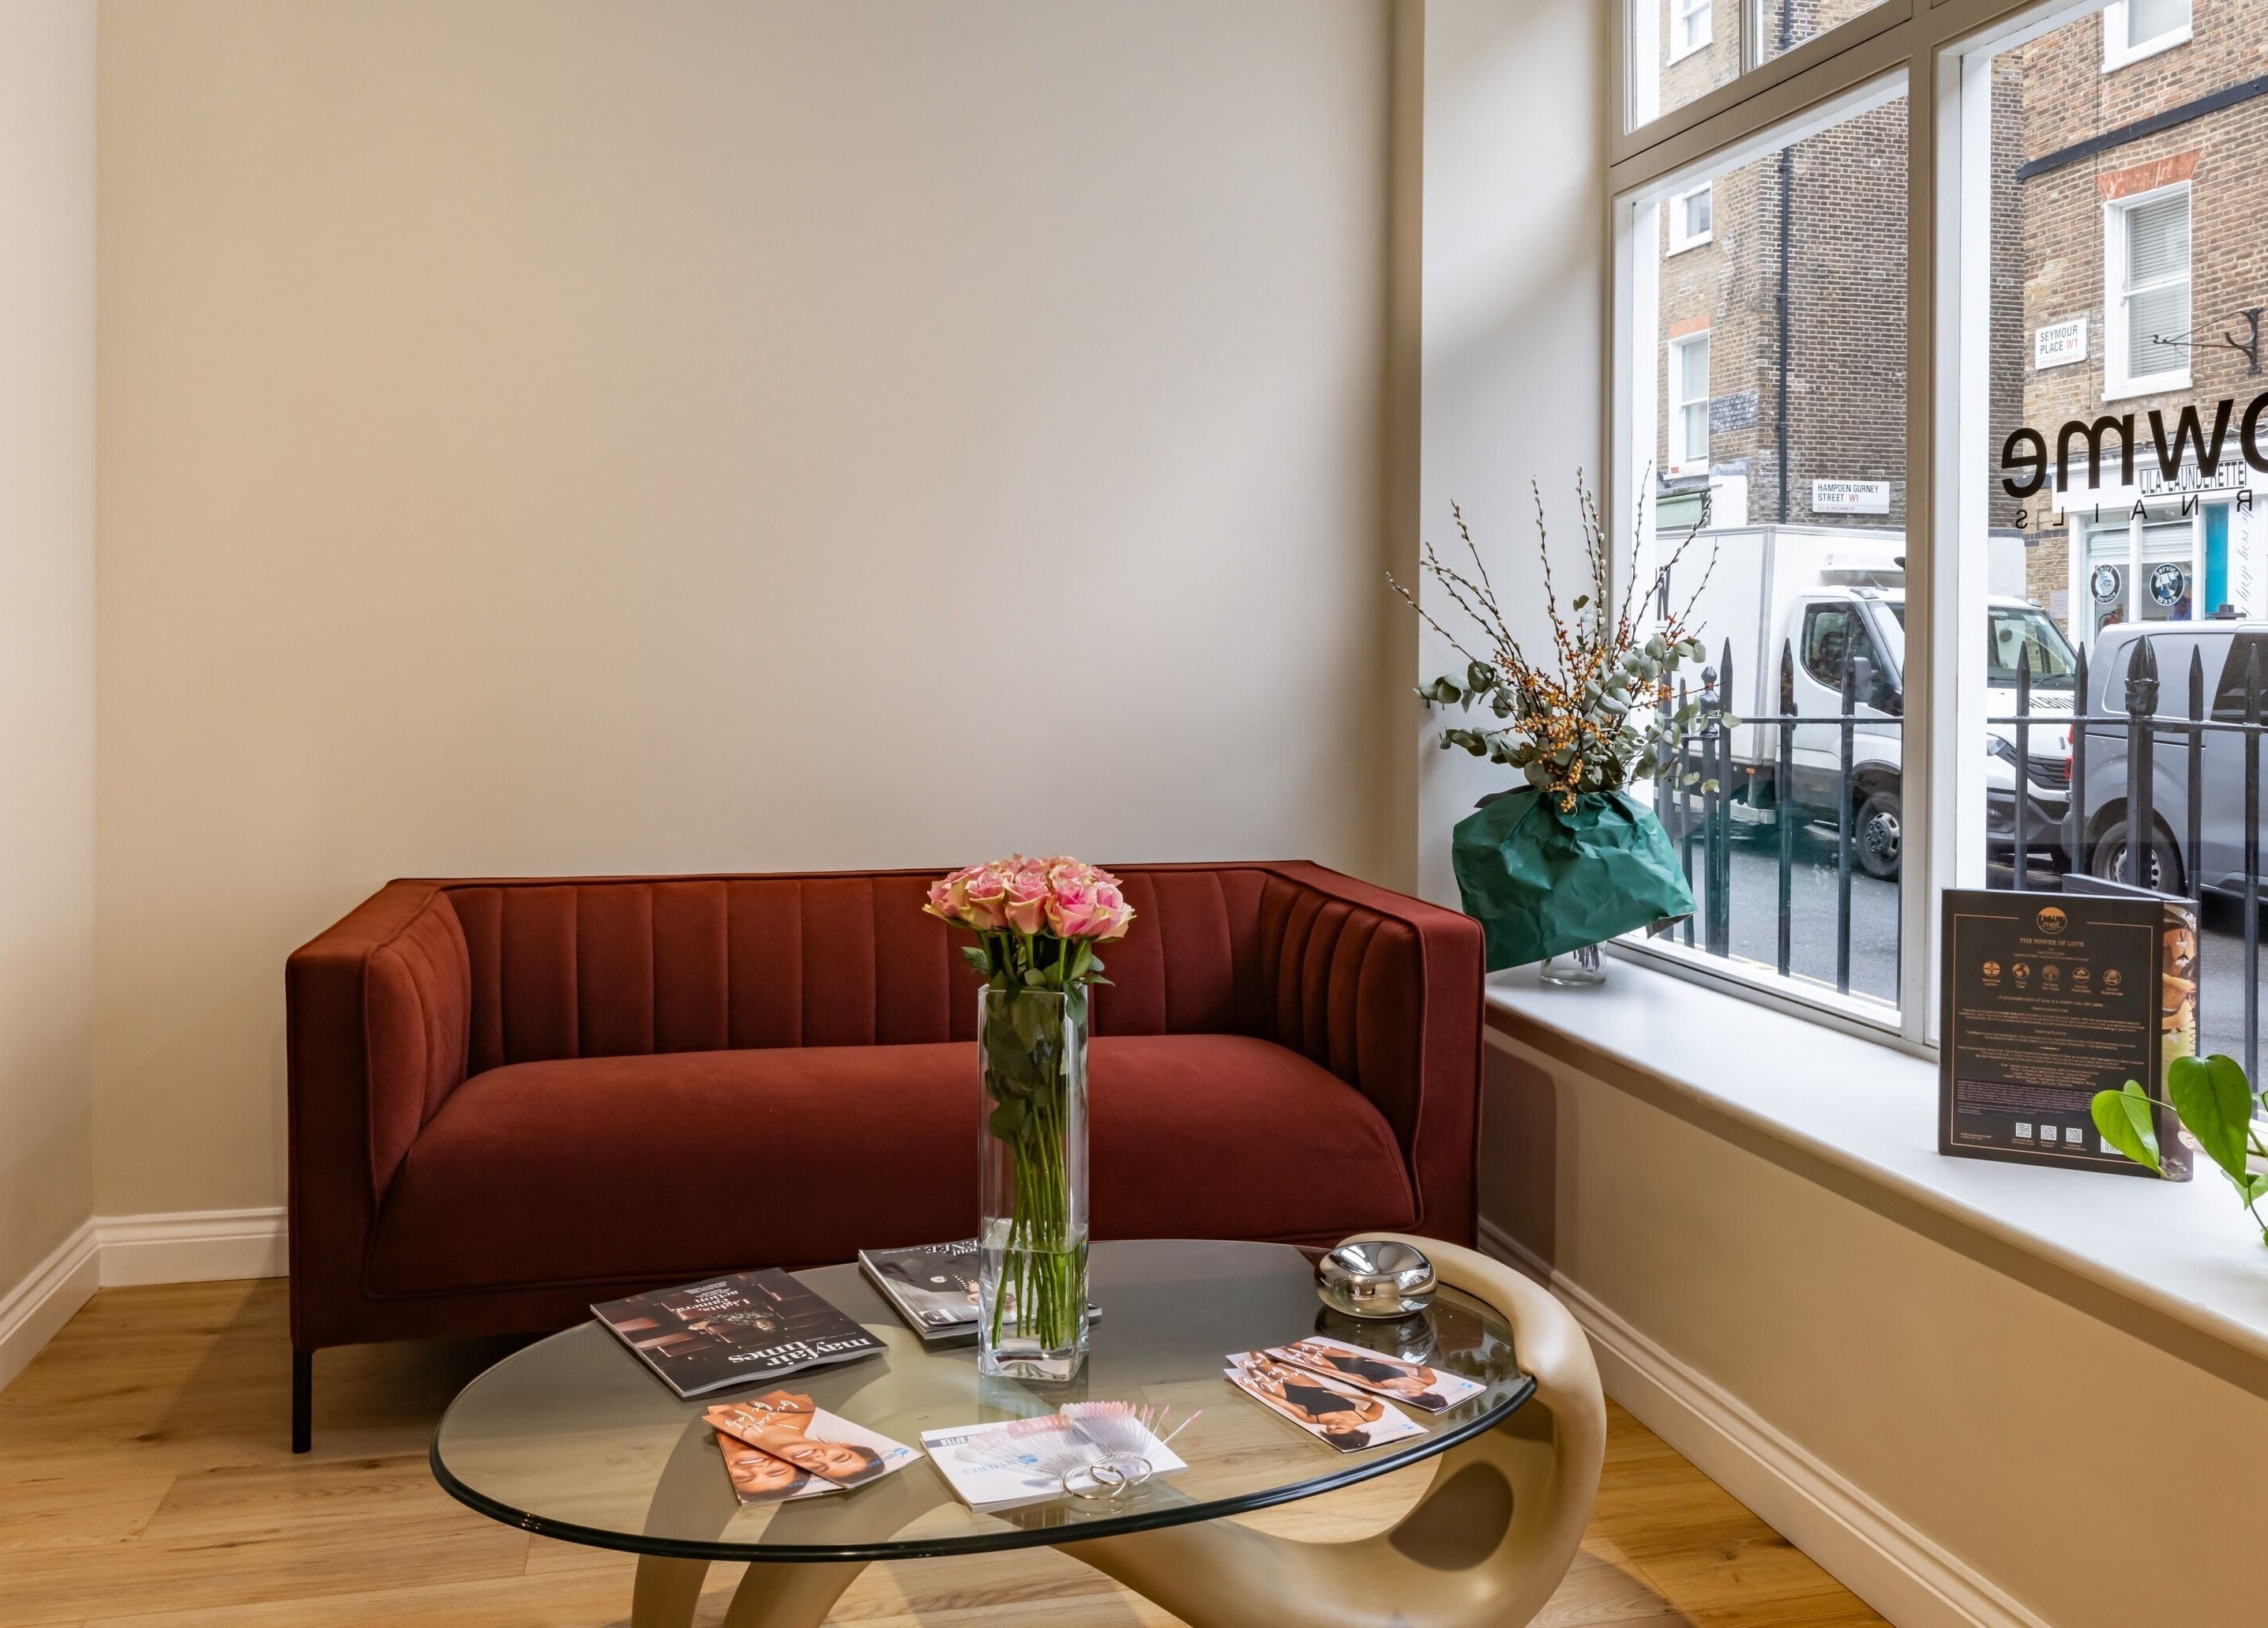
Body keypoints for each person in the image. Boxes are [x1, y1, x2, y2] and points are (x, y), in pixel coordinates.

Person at [1237, 1355, 1389, 1448]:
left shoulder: (1313, 1421)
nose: (1332, 1425)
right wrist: (1350, 1395)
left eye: (1330, 1430)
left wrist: (1254, 1388)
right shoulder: (1367, 1417)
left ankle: (1255, 1369)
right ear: (1354, 1431)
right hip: (1309, 1385)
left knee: (1256, 1375)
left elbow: (1284, 1404)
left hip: (1289, 1395)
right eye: (1339, 1428)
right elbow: (1378, 1404)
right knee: (1264, 1365)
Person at [1280, 1340, 1448, 1410]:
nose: (1404, 1391)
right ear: (1424, 1393)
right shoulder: (1427, 1380)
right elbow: (1414, 1364)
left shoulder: (1382, 1386)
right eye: (1410, 1393)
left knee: (1299, 1355)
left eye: (1405, 1395)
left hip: (1346, 1368)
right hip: (1356, 1359)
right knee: (1304, 1346)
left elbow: (1351, 1377)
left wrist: (1320, 1368)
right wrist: (1385, 1361)